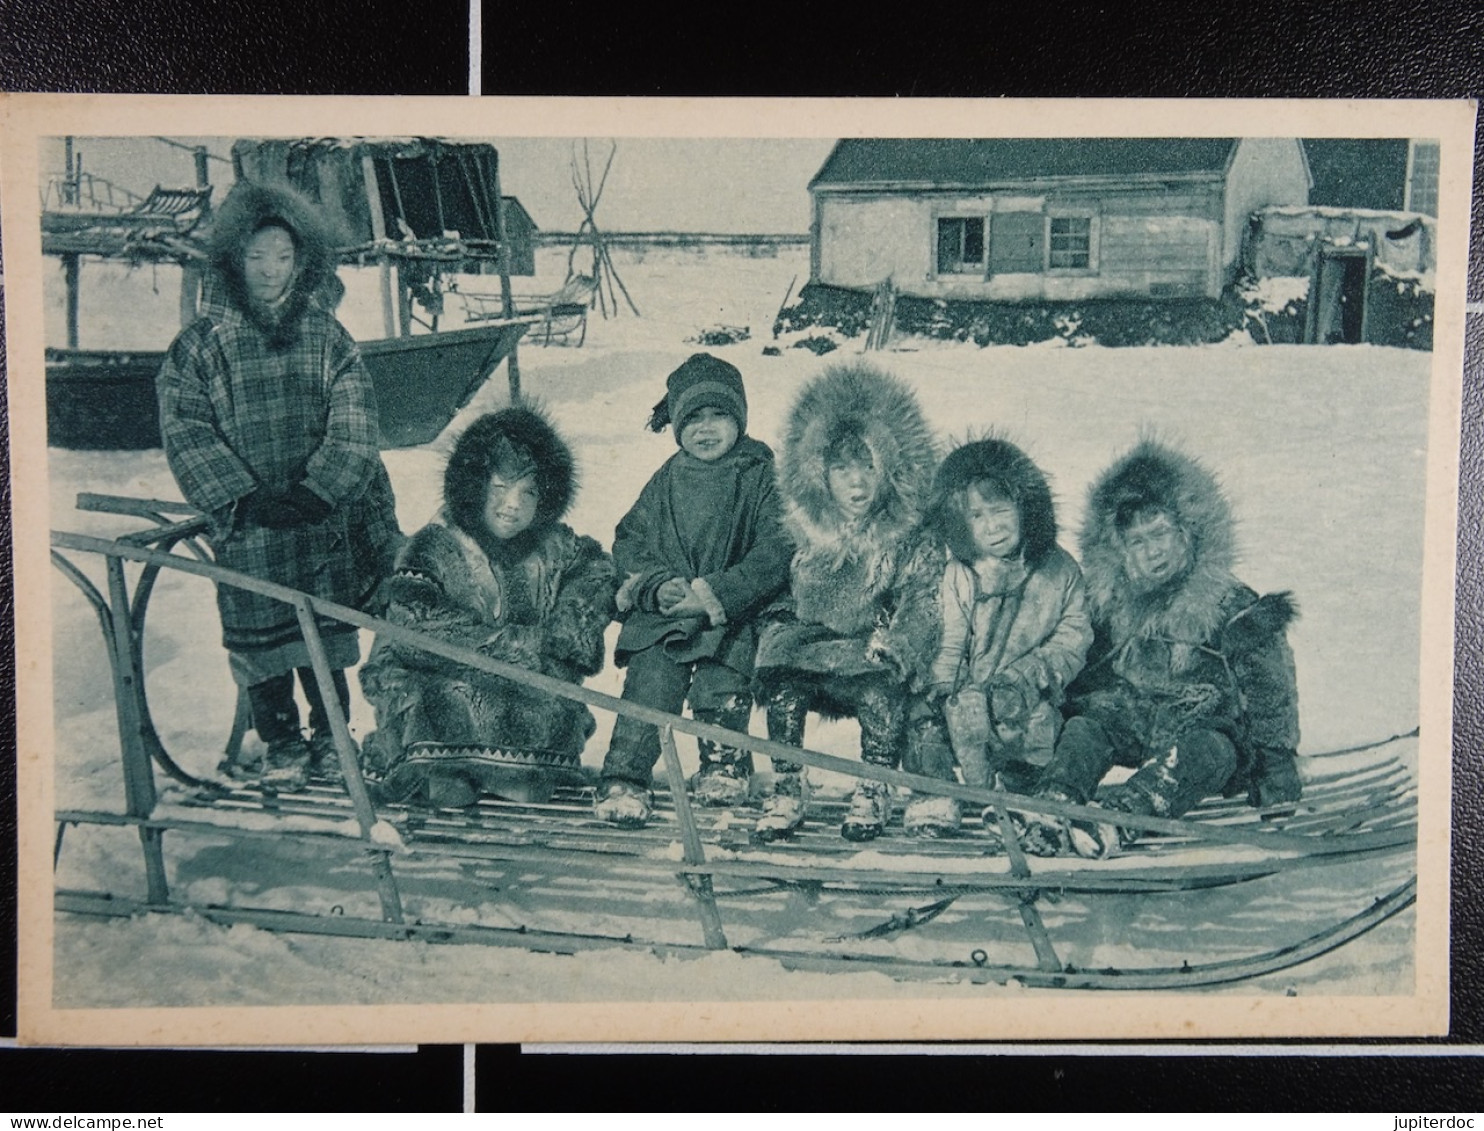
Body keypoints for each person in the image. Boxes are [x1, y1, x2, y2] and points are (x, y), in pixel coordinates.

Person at [157, 181, 400, 788]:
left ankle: (331, 733)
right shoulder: (199, 347)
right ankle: (282, 740)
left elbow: (355, 420)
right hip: (250, 526)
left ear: (303, 260)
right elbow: (186, 427)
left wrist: (321, 488)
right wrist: (241, 495)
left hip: (320, 520)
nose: (270, 271)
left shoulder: (328, 338)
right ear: (234, 260)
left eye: (283, 258)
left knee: (323, 628)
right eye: (257, 257)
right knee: (260, 632)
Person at [1024, 438, 1303, 858]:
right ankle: (1054, 803)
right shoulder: (1110, 607)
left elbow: (1269, 689)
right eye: (1136, 543)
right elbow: (1086, 670)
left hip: (1202, 727)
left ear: (1188, 533)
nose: (1152, 552)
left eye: (1159, 535)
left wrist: (1275, 766)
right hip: (1131, 718)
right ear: (1118, 553)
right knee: (1087, 728)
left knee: (1209, 750)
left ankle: (1127, 812)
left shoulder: (1227, 605)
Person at [358, 406, 617, 807]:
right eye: (500, 489)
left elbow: (597, 571)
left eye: (528, 492)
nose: (513, 505)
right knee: (446, 700)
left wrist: (567, 633)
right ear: (476, 487)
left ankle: (493, 776)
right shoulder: (436, 543)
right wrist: (525, 648)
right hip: (429, 674)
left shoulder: (552, 545)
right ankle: (444, 773)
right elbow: (416, 628)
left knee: (553, 706)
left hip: (515, 684)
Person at [595, 353, 792, 828]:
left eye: (719, 415)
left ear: (740, 419)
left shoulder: (760, 473)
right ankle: (626, 777)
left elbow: (776, 547)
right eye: (694, 418)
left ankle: (724, 764)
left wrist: (716, 591)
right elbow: (631, 538)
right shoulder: (666, 479)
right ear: (676, 424)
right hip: (669, 611)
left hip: (732, 609)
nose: (706, 429)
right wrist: (658, 586)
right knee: (651, 681)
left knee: (722, 679)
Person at [751, 363, 942, 842]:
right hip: (812, 649)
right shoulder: (803, 530)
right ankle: (788, 784)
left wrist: (901, 642)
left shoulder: (907, 534)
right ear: (820, 473)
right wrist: (776, 626)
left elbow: (923, 597)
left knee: (881, 692)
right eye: (842, 469)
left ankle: (874, 784)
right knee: (785, 691)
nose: (857, 484)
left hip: (869, 651)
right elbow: (776, 587)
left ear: (890, 469)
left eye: (868, 467)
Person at [910, 437, 1093, 837]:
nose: (992, 526)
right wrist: (946, 688)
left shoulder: (1059, 571)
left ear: (1026, 508)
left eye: (1000, 510)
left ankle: (1020, 796)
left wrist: (1033, 675)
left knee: (1040, 728)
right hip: (973, 694)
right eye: (977, 516)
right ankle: (937, 794)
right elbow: (951, 637)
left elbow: (1072, 637)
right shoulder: (961, 573)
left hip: (1031, 696)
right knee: (928, 722)